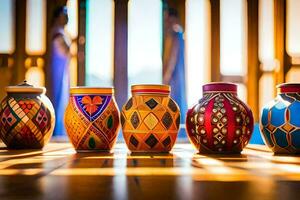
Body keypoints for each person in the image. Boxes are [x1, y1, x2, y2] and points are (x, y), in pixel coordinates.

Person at [49, 6, 71, 136]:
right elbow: (64, 49)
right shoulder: (57, 33)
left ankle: (61, 131)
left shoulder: (61, 32)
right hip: (57, 69)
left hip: (62, 68)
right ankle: (57, 132)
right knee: (58, 98)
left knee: (62, 98)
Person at [163, 8, 187, 123]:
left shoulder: (175, 33)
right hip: (177, 73)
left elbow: (172, 56)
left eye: (167, 17)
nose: (166, 20)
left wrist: (167, 76)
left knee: (174, 99)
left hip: (174, 74)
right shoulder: (179, 33)